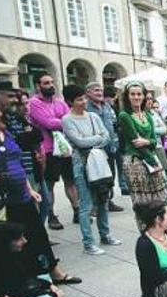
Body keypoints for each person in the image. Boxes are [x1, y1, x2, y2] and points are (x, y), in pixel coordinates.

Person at [0, 90, 80, 285]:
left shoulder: (1, 131)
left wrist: (29, 188)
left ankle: (52, 271)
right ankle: (11, 284)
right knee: (2, 244)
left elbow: (16, 161)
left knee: (36, 234)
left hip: (20, 195)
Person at [61, 84, 122, 255]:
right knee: (86, 205)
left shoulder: (94, 116)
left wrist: (91, 140)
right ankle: (88, 243)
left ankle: (105, 235)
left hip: (99, 162)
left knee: (103, 199)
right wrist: (96, 139)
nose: (83, 102)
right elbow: (78, 142)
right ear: (69, 102)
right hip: (81, 164)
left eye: (83, 98)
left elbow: (107, 137)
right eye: (79, 99)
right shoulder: (67, 120)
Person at [117, 81, 167, 232]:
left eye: (139, 94)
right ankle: (147, 232)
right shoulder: (124, 116)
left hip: (151, 158)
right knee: (143, 201)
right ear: (127, 96)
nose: (136, 97)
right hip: (135, 162)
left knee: (163, 195)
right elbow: (135, 143)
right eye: (132, 94)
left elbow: (153, 141)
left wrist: (147, 142)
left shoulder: (147, 114)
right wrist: (151, 156)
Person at [28, 73, 77, 230]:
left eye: (52, 82)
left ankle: (76, 209)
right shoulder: (34, 103)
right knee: (49, 184)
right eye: (46, 83)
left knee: (70, 180)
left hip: (64, 148)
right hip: (48, 148)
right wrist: (64, 121)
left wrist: (61, 121)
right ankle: (51, 214)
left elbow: (68, 118)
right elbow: (47, 122)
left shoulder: (59, 102)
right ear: (38, 86)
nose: (51, 85)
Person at [3, 89, 52, 225]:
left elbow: (37, 137)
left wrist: (30, 135)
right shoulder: (12, 122)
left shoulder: (27, 121)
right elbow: (21, 142)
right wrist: (29, 136)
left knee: (45, 203)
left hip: (36, 165)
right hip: (25, 167)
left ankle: (40, 232)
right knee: (35, 204)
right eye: (21, 104)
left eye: (27, 103)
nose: (25, 107)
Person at [86, 82, 125, 211]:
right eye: (96, 90)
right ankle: (95, 204)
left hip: (111, 146)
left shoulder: (107, 105)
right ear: (88, 92)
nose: (99, 93)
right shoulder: (86, 108)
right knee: (96, 176)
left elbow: (113, 123)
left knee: (110, 175)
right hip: (96, 148)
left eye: (101, 90)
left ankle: (108, 200)